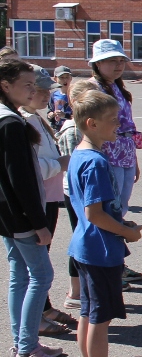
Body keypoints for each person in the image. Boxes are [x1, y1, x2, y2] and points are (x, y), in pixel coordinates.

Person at [68, 89, 142, 357]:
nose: (119, 124)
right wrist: (127, 234)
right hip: (100, 250)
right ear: (92, 123)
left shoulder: (80, 153)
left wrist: (123, 226)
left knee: (88, 315)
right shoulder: (96, 162)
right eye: (113, 120)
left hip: (86, 247)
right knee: (100, 321)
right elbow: (95, 213)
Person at [0, 57, 68, 357]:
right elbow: (22, 180)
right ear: (6, 86)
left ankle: (24, 344)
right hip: (22, 216)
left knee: (20, 276)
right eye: (27, 84)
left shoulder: (8, 117)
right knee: (40, 276)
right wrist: (39, 224)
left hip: (8, 215)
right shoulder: (11, 123)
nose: (33, 90)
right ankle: (27, 352)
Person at [21, 65, 78, 334]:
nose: (45, 94)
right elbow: (28, 167)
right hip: (39, 198)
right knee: (35, 266)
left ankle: (43, 308)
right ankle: (35, 319)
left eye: (47, 90)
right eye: (38, 89)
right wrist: (59, 164)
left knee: (41, 260)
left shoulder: (37, 118)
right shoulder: (22, 121)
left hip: (49, 197)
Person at [88, 39, 142, 283]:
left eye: (121, 60)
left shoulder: (117, 87)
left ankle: (117, 262)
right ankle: (110, 267)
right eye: (113, 60)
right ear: (98, 63)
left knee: (120, 210)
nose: (119, 64)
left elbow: (128, 126)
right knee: (109, 212)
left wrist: (135, 159)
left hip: (125, 154)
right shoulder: (92, 89)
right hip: (108, 156)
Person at [57, 80, 95, 312]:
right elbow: (74, 166)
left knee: (84, 239)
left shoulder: (83, 128)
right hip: (76, 194)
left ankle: (82, 287)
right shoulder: (73, 131)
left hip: (82, 193)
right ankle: (75, 291)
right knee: (80, 240)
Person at [47, 65, 73, 131]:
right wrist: (50, 115)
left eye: (67, 77)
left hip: (71, 128)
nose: (65, 80)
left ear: (71, 78)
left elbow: (80, 116)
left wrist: (65, 115)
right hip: (57, 129)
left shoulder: (75, 95)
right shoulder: (53, 95)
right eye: (61, 77)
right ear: (55, 79)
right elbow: (50, 111)